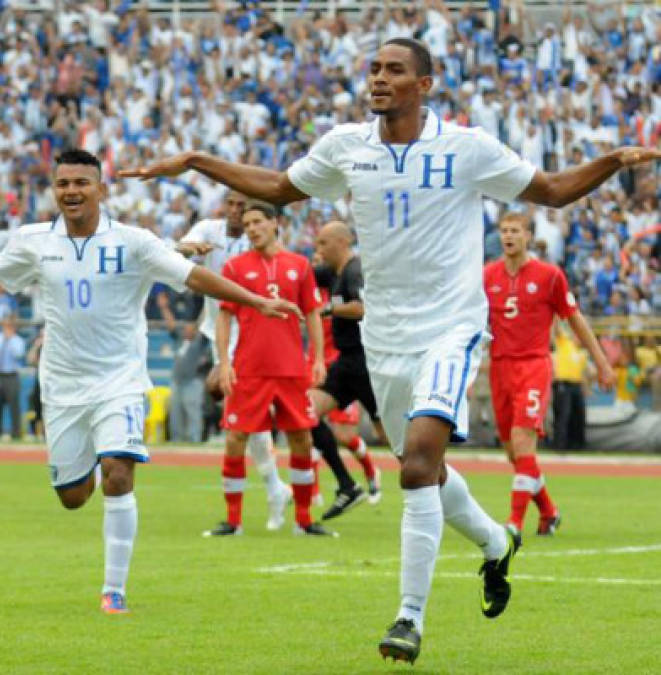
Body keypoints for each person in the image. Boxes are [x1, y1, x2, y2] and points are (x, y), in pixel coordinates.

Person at [120, 38, 661, 664]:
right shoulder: (348, 147)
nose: (378, 78)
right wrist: (195, 160)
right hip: (386, 335)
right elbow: (276, 184)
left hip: (451, 327)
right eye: (374, 68)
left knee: (415, 467)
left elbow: (555, 189)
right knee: (422, 467)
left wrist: (614, 161)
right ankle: (494, 543)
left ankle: (408, 618)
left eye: (393, 70)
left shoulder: (466, 147)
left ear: (424, 85)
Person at [0, 149, 298, 615]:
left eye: (82, 183)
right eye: (63, 183)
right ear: (54, 190)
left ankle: (114, 590)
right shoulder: (33, 241)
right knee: (72, 497)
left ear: (101, 190)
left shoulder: (134, 242)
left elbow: (194, 277)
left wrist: (255, 301)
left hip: (119, 380)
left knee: (119, 473)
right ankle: (83, 465)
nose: (72, 191)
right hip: (63, 386)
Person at [204, 202, 332, 537]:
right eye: (247, 224)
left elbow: (313, 313)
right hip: (249, 369)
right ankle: (233, 521)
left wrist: (317, 359)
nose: (251, 228)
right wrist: (225, 362)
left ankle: (304, 521)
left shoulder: (300, 266)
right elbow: (224, 316)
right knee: (235, 439)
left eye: (258, 221)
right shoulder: (234, 267)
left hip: (291, 369)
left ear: (275, 223)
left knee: (301, 439)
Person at [484, 212, 613, 537]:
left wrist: (601, 361)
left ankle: (513, 524)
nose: (508, 236)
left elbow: (574, 318)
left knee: (522, 440)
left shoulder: (549, 276)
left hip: (533, 366)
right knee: (514, 453)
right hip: (499, 367)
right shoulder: (487, 276)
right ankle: (549, 512)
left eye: (515, 231)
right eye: (504, 231)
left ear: (528, 235)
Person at [176, 191, 293, 530]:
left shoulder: (256, 242)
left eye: (244, 206)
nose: (236, 211)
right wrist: (188, 249)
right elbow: (183, 245)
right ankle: (275, 488)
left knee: (240, 414)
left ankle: (269, 494)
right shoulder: (210, 230)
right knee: (246, 419)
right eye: (232, 204)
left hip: (250, 336)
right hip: (219, 333)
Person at [310, 221, 386, 520]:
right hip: (345, 363)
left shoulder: (355, 270)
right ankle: (346, 484)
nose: (319, 250)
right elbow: (302, 275)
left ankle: (434, 488)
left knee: (392, 438)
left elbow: (362, 307)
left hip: (368, 363)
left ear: (342, 242)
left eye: (323, 244)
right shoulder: (331, 273)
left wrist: (328, 309)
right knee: (306, 411)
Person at [168, 322, 211, 444]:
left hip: (193, 382)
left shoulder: (199, 343)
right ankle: (176, 439)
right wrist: (164, 307)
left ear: (195, 332)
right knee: (175, 411)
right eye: (185, 329)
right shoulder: (180, 340)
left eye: (190, 329)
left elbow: (206, 330)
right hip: (177, 381)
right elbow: (171, 326)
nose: (186, 331)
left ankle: (195, 439)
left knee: (193, 412)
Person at [552, 328, 590, 449]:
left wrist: (585, 387)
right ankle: (560, 444)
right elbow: (557, 330)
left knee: (579, 415)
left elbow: (582, 373)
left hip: (576, 385)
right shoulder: (565, 343)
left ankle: (578, 444)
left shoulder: (582, 353)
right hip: (563, 384)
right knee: (564, 414)